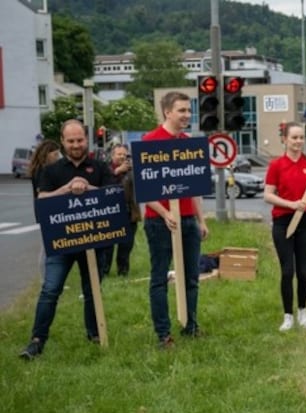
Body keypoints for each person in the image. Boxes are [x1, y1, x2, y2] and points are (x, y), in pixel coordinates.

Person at [19, 120, 114, 359]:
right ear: (62, 141)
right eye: (70, 141)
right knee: (50, 289)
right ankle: (37, 340)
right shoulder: (51, 171)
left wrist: (88, 187)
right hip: (61, 243)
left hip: (94, 240)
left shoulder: (101, 167)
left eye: (80, 140)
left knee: (92, 290)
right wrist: (68, 188)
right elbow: (42, 200)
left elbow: (114, 195)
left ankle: (94, 335)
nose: (76, 145)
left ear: (86, 139)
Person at [143, 91, 209, 348]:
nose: (186, 115)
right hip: (159, 222)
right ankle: (163, 334)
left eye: (188, 110)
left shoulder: (188, 143)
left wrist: (201, 221)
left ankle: (190, 326)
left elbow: (195, 189)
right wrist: (164, 213)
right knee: (159, 277)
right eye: (181, 110)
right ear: (167, 112)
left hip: (188, 220)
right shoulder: (150, 142)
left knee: (191, 277)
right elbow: (143, 189)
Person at [263, 121, 306, 332]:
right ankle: (288, 315)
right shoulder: (276, 165)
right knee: (287, 271)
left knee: (303, 271)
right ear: (285, 139)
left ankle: (303, 312)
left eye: (301, 138)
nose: (298, 142)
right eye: (294, 138)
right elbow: (268, 195)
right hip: (283, 222)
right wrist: (290, 204)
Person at [99, 144, 141, 277]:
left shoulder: (132, 170)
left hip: (129, 212)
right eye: (119, 154)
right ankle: (104, 272)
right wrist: (117, 171)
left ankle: (123, 272)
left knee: (126, 245)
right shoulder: (105, 169)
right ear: (112, 156)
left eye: (125, 154)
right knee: (107, 247)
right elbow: (103, 187)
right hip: (110, 213)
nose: (122, 157)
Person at [28, 139, 63, 276]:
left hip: (45, 211)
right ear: (47, 154)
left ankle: (50, 277)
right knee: (47, 249)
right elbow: (42, 193)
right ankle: (45, 278)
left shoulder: (41, 169)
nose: (58, 157)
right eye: (55, 154)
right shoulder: (42, 171)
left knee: (51, 247)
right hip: (46, 211)